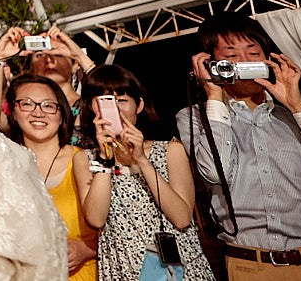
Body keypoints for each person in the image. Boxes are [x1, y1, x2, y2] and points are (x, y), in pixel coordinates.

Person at [176, 13, 301, 278]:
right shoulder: (196, 117)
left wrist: (298, 107)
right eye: (231, 56)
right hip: (249, 264)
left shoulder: (297, 117)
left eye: (253, 52)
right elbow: (215, 173)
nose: (244, 62)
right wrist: (214, 96)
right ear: (211, 64)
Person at [70, 64, 210, 281]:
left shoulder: (170, 150)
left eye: (122, 100)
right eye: (104, 101)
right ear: (90, 107)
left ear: (139, 104)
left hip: (177, 268)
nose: (114, 109)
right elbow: (96, 219)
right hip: (122, 266)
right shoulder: (85, 159)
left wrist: (142, 161)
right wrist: (105, 158)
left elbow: (182, 218)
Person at [2, 73, 96, 280]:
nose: (38, 113)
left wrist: (87, 249)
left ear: (62, 114)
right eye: (27, 104)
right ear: (13, 112)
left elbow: (118, 226)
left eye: (48, 105)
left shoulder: (83, 161)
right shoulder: (4, 163)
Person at [0, 26, 98, 130]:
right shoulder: (26, 111)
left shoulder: (91, 106)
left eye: (57, 54)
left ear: (75, 65)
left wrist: (80, 57)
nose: (48, 60)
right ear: (32, 67)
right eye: (40, 55)